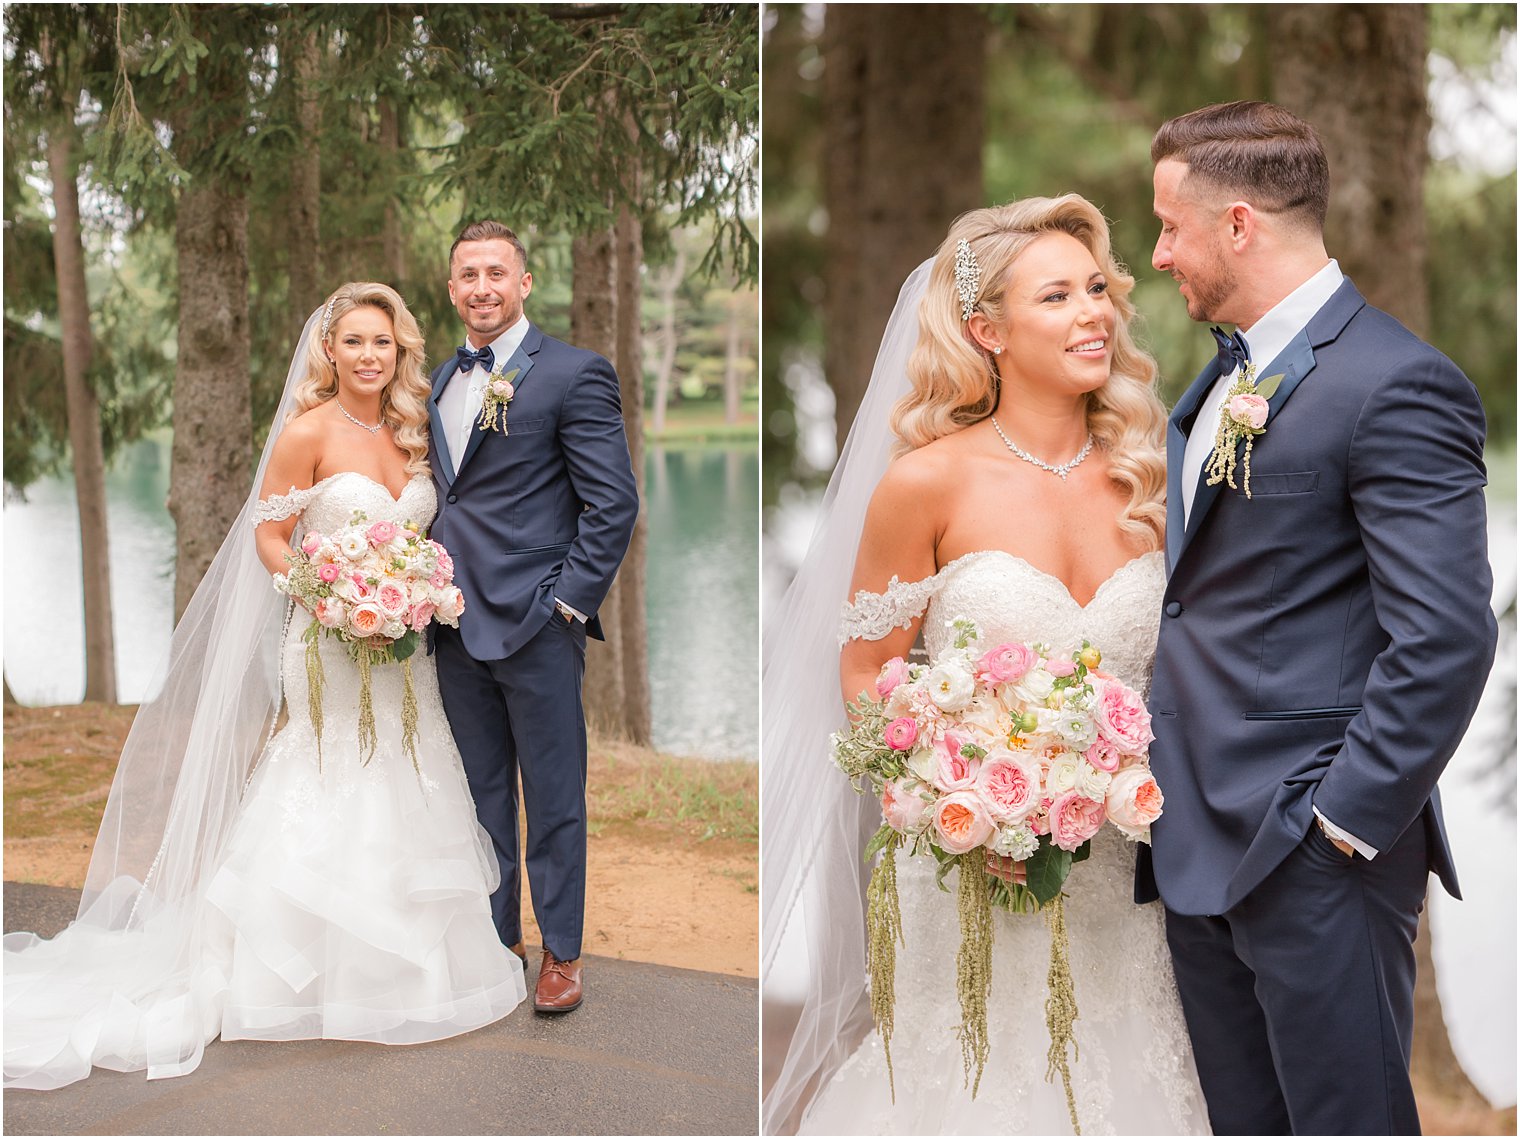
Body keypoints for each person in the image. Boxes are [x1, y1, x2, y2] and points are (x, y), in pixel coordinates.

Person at [4, 283, 527, 1091]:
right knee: (325, 779)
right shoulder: (306, 432)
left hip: (403, 649)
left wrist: (407, 590)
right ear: (330, 350)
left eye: (381, 343)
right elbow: (270, 535)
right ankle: (293, 977)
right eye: (353, 341)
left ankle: (403, 976)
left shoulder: (410, 431)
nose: (368, 355)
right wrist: (329, 595)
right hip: (326, 640)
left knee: (403, 775)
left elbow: (421, 529)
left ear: (400, 352)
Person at [761, 195, 1209, 1135]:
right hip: (971, 863)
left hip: (1135, 870)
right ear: (987, 329)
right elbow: (866, 670)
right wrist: (948, 795)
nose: (1094, 312)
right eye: (1057, 296)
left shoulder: (1155, 474)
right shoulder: (927, 481)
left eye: (1097, 289)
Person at [1139, 101, 1498, 1135]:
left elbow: (1443, 633)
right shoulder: (1219, 378)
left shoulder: (1395, 382)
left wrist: (1337, 823)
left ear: (1238, 224)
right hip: (1193, 843)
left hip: (1311, 851)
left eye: (1170, 225)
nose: (1158, 253)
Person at [426, 221, 639, 1014]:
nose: (482, 287)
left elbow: (612, 502)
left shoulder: (574, 374)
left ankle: (561, 951)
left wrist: (568, 602)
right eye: (467, 275)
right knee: (478, 795)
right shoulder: (441, 381)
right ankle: (493, 942)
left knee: (553, 794)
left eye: (496, 273)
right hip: (450, 624)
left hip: (538, 622)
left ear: (523, 283)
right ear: (452, 289)